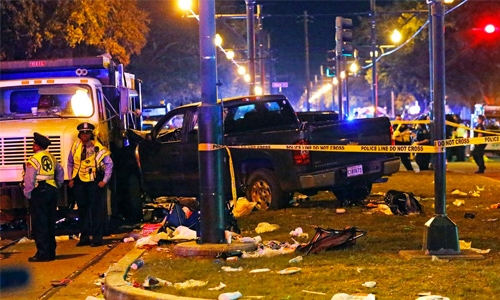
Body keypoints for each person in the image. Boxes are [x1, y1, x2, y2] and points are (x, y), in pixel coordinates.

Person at [68, 123, 113, 247]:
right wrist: (71, 178)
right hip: (79, 182)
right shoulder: (76, 145)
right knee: (82, 210)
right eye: (82, 133)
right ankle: (84, 237)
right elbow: (70, 162)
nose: (84, 135)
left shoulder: (98, 148)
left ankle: (97, 238)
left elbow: (109, 164)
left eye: (87, 133)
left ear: (90, 134)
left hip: (94, 182)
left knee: (96, 211)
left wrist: (105, 180)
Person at [23, 132, 64, 262]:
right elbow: (60, 171)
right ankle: (51, 251)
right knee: (50, 221)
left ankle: (43, 253)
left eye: (34, 144)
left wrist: (27, 192)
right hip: (52, 190)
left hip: (39, 191)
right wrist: (58, 184)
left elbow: (29, 178)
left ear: (37, 146)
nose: (32, 146)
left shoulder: (33, 160)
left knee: (40, 223)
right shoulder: (51, 157)